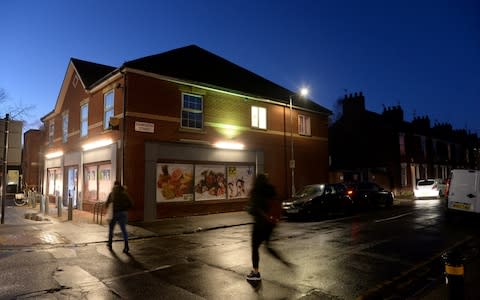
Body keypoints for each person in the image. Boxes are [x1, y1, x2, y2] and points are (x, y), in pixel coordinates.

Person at [246, 174, 291, 281]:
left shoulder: (256, 191)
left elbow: (254, 209)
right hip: (270, 225)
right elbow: (277, 204)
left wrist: (250, 209)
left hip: (259, 225)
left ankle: (256, 273)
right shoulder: (271, 189)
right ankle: (284, 261)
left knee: (255, 248)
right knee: (268, 246)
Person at [106, 180, 134, 253]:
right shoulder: (124, 193)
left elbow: (107, 204)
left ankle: (110, 244)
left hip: (114, 214)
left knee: (111, 229)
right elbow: (131, 204)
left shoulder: (112, 193)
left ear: (114, 185)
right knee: (124, 230)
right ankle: (126, 246)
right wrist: (124, 209)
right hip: (123, 213)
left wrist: (109, 208)